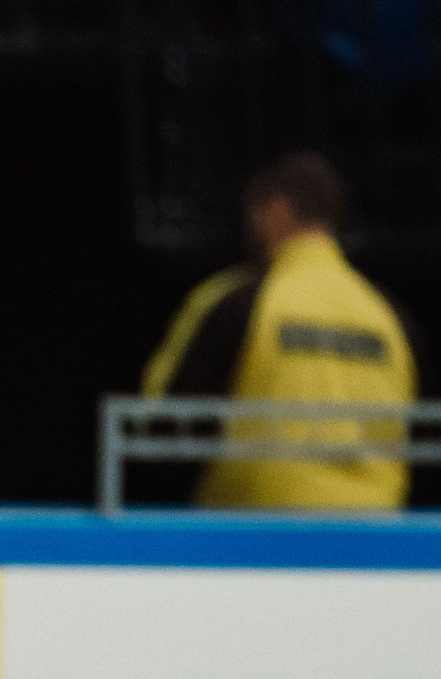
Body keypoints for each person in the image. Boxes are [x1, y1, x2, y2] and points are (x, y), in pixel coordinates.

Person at [141, 151, 420, 509]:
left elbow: (157, 420)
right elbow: (426, 435)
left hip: (252, 540)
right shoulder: (391, 316)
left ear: (277, 209)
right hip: (376, 540)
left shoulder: (238, 302)